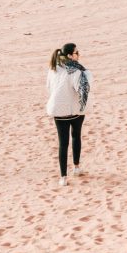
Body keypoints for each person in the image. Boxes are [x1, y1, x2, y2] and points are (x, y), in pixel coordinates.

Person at [46, 43, 92, 186]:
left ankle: (63, 177)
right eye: (77, 52)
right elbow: (81, 90)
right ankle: (76, 168)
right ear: (70, 56)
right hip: (74, 111)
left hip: (57, 110)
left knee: (63, 143)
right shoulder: (76, 71)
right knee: (76, 136)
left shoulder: (53, 69)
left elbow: (49, 87)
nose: (79, 54)